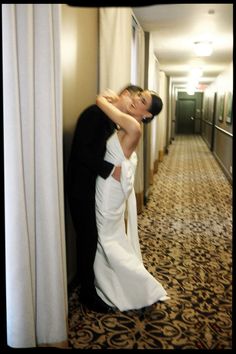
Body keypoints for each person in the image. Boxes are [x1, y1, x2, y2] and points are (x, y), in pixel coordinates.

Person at [67, 84, 143, 313]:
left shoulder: (112, 120)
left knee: (93, 239)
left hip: (95, 189)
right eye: (132, 96)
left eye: (137, 100)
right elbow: (82, 152)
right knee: (88, 239)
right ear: (122, 94)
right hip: (81, 189)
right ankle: (88, 295)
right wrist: (111, 169)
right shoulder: (94, 114)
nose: (132, 102)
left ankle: (92, 285)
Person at [94, 89, 169, 311]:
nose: (136, 99)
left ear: (146, 115)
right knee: (110, 235)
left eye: (142, 100)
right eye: (139, 96)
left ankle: (142, 286)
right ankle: (110, 282)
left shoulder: (133, 125)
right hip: (110, 184)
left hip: (109, 189)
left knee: (106, 236)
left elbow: (101, 104)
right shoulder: (130, 124)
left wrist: (105, 98)